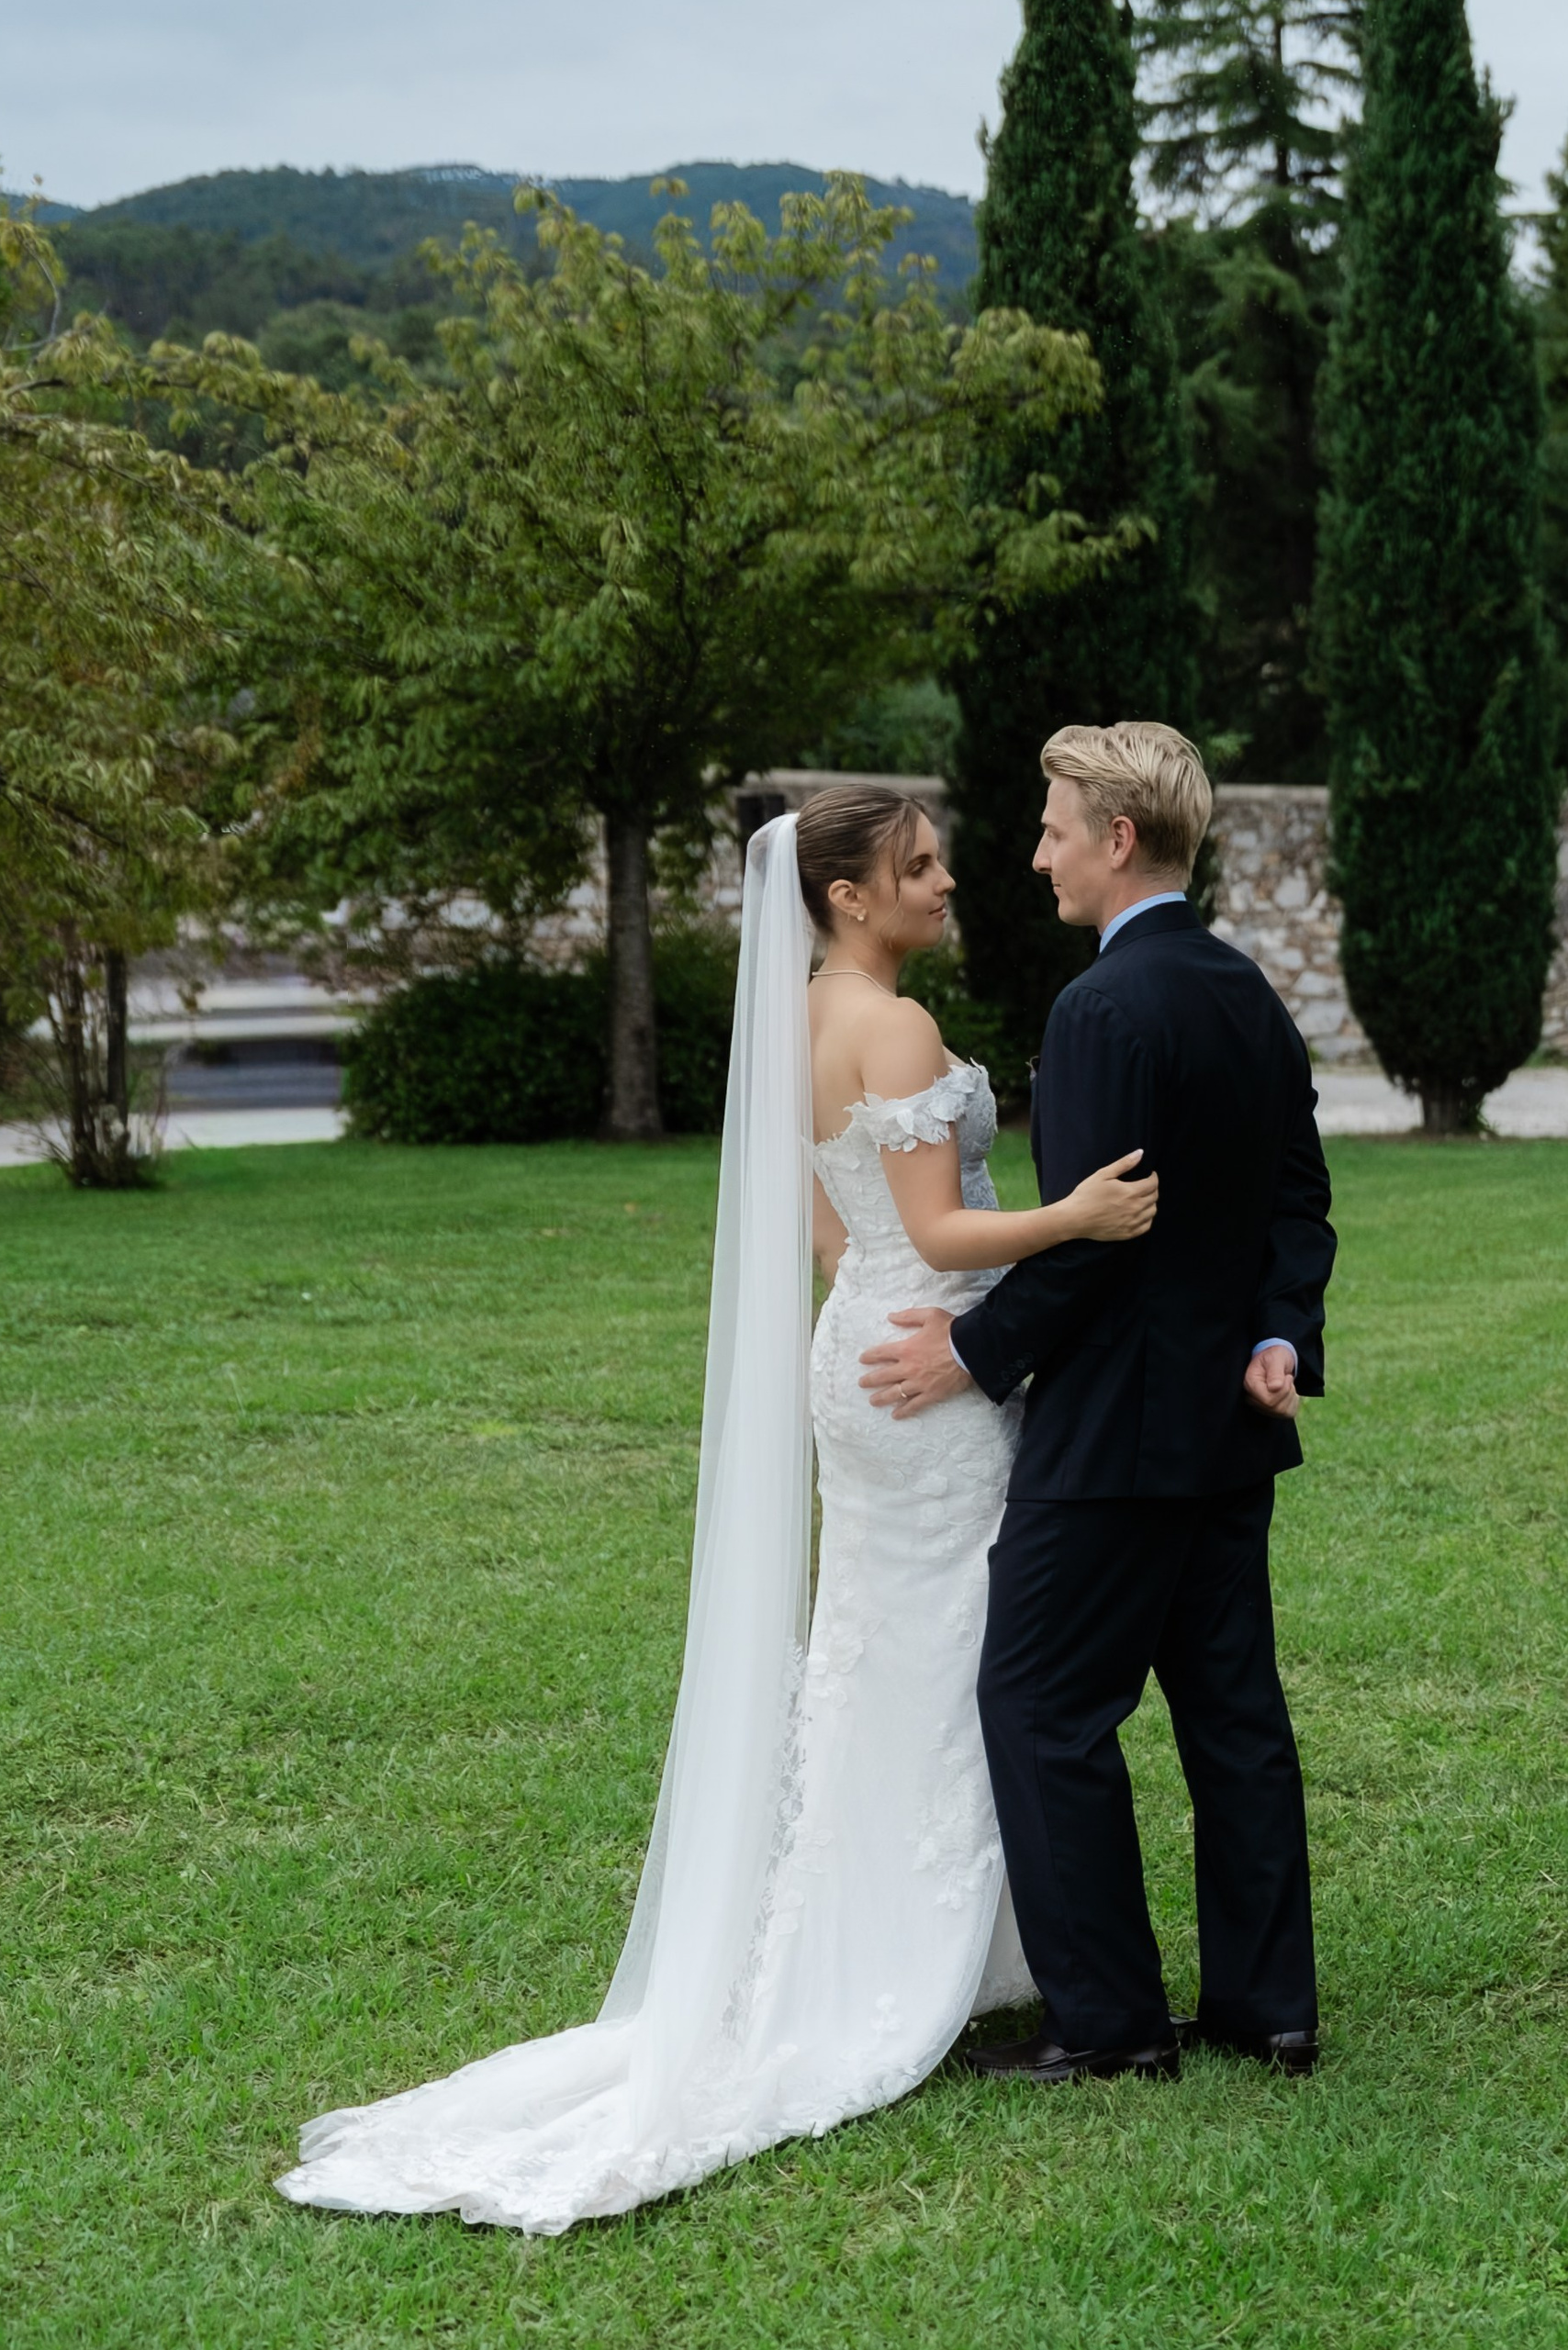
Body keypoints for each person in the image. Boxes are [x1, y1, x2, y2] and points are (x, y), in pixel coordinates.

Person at [274, 786, 1156, 2232]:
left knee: (886, 1641)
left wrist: (889, 1293)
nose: (948, 880)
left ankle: (916, 1932)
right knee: (949, 1651)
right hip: (931, 1373)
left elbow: (831, 1230)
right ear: (849, 897)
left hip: (863, 1352)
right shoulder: (896, 1027)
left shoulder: (797, 1021)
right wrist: (1074, 1220)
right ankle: (912, 1951)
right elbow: (940, 1230)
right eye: (919, 865)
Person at [861, 722, 1336, 2082]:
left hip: (1114, 1436)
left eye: (1055, 830)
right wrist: (1278, 1331)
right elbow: (1298, 1199)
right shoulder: (1248, 991)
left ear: (1118, 840)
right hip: (1228, 1429)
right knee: (1234, 1720)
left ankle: (1112, 2026)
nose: (1037, 857)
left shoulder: (1101, 1010)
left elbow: (1091, 1238)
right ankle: (1269, 2008)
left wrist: (971, 1352)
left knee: (1036, 1705)